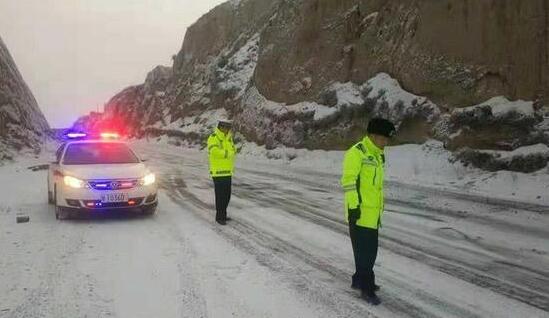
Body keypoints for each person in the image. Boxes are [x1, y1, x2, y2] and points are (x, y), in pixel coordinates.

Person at [340, 117, 396, 305]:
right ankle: (367, 287)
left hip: (373, 214)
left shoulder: (377, 155)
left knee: (365, 251)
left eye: (387, 139)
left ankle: (359, 279)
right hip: (360, 212)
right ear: (372, 136)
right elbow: (349, 182)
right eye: (382, 138)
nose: (385, 142)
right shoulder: (357, 153)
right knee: (367, 253)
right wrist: (354, 207)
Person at [207, 119, 237, 225]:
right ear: (220, 127)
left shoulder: (229, 139)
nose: (226, 129)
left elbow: (234, 150)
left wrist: (228, 153)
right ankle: (219, 217)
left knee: (227, 195)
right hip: (218, 172)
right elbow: (214, 151)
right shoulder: (213, 137)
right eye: (225, 127)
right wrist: (227, 154)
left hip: (228, 172)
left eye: (228, 127)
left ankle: (223, 214)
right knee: (220, 196)